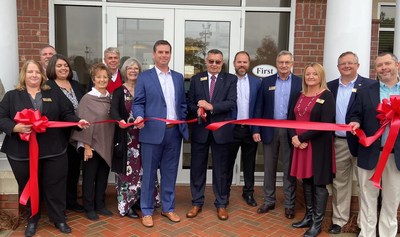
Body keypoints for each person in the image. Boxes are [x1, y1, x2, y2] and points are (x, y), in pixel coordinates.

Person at [0, 60, 87, 236]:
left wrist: (77, 122)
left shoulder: (53, 93)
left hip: (53, 150)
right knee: (29, 185)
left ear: (42, 75)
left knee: (55, 185)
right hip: (21, 152)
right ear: (24, 74)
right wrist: (15, 128)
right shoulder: (12, 96)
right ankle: (32, 220)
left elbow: (66, 114)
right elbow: (1, 117)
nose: (34, 75)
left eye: (37, 72)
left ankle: (59, 219)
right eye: (30, 72)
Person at [133, 40, 188, 227]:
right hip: (151, 133)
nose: (164, 55)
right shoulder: (144, 77)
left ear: (170, 54)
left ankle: (168, 208)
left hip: (174, 133)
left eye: (167, 52)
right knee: (148, 174)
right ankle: (147, 211)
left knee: (170, 173)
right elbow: (138, 102)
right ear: (154, 54)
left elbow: (182, 104)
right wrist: (139, 116)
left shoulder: (179, 77)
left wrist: (183, 119)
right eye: (160, 52)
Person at [348, 52, 400, 237]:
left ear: (397, 65)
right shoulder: (365, 91)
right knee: (367, 199)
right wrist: (355, 123)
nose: (383, 68)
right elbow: (354, 115)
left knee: (392, 201)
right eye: (379, 65)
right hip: (370, 153)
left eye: (387, 64)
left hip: (396, 157)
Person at [186, 49, 237, 221]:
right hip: (200, 131)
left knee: (221, 170)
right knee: (197, 169)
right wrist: (198, 111)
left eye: (218, 61)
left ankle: (221, 204)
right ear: (206, 62)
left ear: (222, 63)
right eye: (211, 61)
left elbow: (231, 103)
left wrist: (210, 106)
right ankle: (196, 202)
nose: (214, 64)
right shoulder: (196, 79)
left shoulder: (230, 79)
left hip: (221, 132)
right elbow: (190, 103)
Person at [326, 51, 374, 234]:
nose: (346, 66)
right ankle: (339, 220)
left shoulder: (370, 86)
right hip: (339, 142)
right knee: (340, 183)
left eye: (350, 63)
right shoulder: (330, 87)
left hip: (363, 143)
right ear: (338, 67)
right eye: (342, 64)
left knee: (365, 183)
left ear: (358, 65)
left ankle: (364, 222)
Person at [253, 50, 302, 218]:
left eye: (287, 62)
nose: (283, 65)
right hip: (269, 130)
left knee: (289, 169)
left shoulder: (299, 83)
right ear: (276, 63)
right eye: (281, 62)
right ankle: (269, 201)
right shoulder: (266, 82)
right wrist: (256, 129)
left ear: (292, 63)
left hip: (290, 132)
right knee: (269, 167)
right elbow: (259, 106)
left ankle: (289, 204)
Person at [289, 63, 335, 237]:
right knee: (306, 181)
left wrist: (301, 138)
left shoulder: (327, 96)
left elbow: (325, 125)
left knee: (319, 183)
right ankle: (308, 217)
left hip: (317, 147)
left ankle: (317, 223)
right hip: (300, 145)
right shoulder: (298, 95)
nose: (310, 77)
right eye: (308, 74)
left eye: (314, 74)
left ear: (320, 76)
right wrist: (294, 137)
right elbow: (289, 119)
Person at [111, 58, 161, 219]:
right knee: (127, 173)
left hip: (144, 135)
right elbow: (113, 111)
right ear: (125, 71)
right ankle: (127, 204)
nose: (133, 71)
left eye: (136, 68)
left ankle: (142, 200)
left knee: (146, 169)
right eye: (129, 68)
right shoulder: (119, 91)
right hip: (126, 138)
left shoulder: (144, 88)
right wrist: (120, 121)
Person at [70, 63, 115, 221]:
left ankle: (100, 205)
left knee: (103, 176)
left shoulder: (110, 98)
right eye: (99, 77)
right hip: (91, 145)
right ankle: (89, 207)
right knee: (89, 177)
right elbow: (84, 125)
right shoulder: (87, 99)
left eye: (105, 77)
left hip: (106, 143)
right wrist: (87, 146)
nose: (102, 80)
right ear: (93, 79)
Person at [46, 54, 86, 214]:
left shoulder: (76, 84)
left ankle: (71, 201)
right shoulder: (48, 86)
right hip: (59, 136)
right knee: (59, 173)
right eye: (59, 66)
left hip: (77, 135)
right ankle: (58, 206)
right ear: (52, 68)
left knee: (74, 170)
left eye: (66, 66)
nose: (63, 68)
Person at [227, 51, 261, 206]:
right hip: (231, 129)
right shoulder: (226, 81)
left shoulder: (256, 82)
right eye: (239, 62)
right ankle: (224, 193)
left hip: (249, 129)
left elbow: (258, 108)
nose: (242, 65)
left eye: (245, 62)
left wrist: (256, 130)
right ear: (234, 63)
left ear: (249, 64)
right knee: (227, 163)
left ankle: (248, 193)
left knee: (249, 164)